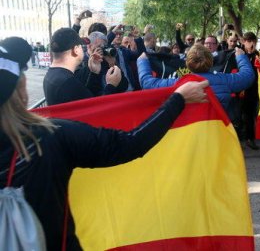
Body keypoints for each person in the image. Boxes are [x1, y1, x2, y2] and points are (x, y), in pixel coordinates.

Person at [0, 36, 209, 250]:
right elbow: (129, 143)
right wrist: (178, 100)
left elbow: (84, 108)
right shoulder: (48, 137)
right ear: (19, 90)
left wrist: (92, 75)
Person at [138, 44, 254, 117]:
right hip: (217, 136)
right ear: (211, 60)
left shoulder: (177, 83)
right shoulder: (224, 80)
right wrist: (241, 56)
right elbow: (248, 76)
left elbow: (147, 83)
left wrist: (142, 61)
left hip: (189, 138)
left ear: (187, 63)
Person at [43, 28, 122, 105]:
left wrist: (94, 74)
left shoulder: (52, 75)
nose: (84, 48)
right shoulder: (68, 82)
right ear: (75, 50)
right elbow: (95, 108)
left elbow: (88, 98)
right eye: (81, 46)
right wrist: (111, 86)